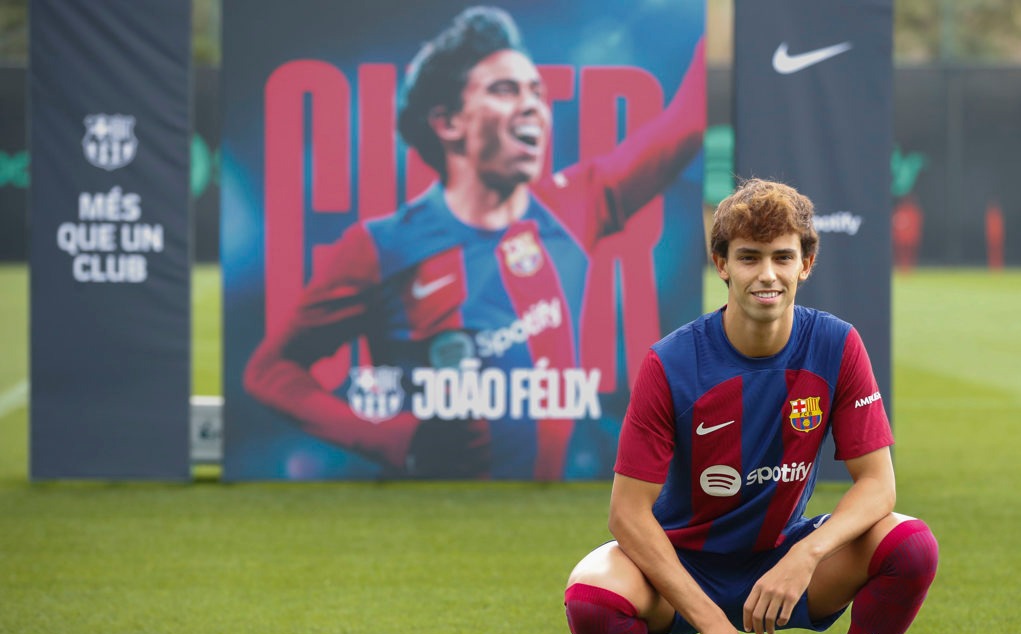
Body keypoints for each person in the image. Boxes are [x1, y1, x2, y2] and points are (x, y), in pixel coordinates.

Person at [564, 179, 939, 634]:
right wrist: (715, 624)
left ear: (806, 263)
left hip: (782, 558)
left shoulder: (838, 345)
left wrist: (806, 554)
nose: (767, 274)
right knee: (590, 600)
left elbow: (878, 485)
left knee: (911, 545)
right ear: (722, 265)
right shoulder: (672, 362)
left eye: (783, 257)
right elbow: (627, 515)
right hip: (683, 563)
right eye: (749, 257)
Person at [244, 5, 705, 479]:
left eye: (536, 93)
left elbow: (687, 123)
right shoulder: (380, 246)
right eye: (505, 90)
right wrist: (396, 440)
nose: (532, 106)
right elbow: (270, 373)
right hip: (440, 510)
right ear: (448, 123)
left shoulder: (576, 202)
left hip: (565, 495)